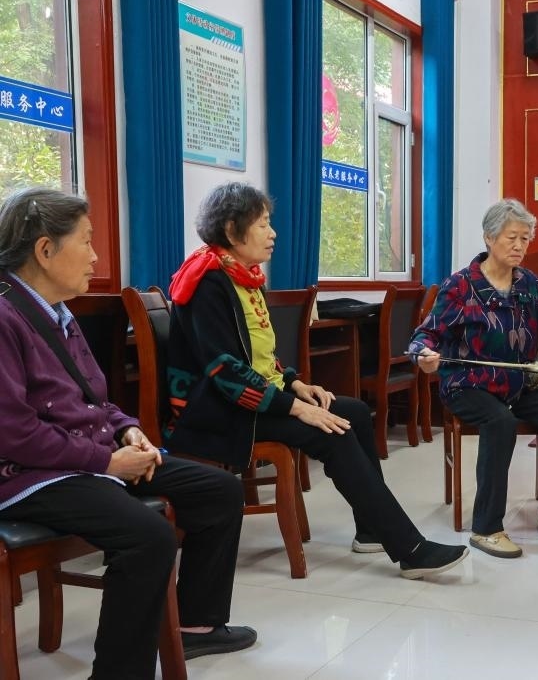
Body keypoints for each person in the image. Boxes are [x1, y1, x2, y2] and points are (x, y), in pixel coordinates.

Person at [0, 187, 256, 680]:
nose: (96, 256)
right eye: (86, 241)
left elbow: (95, 398)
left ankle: (197, 626)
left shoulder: (58, 312)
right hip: (28, 475)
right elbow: (13, 433)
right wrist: (105, 462)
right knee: (148, 537)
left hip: (84, 456)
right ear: (45, 250)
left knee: (220, 490)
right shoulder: (5, 315)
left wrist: (127, 431)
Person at [165, 182, 467, 580]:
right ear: (233, 230)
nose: (273, 233)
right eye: (263, 224)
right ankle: (410, 549)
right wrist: (296, 408)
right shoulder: (207, 283)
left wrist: (293, 384)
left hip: (249, 399)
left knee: (354, 413)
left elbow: (258, 355)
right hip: (217, 411)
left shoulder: (240, 276)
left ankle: (371, 529)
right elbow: (226, 371)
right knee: (331, 432)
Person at [409, 198, 538, 559]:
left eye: (525, 238)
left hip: (517, 384)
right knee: (500, 421)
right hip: (467, 384)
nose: (519, 246)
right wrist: (423, 356)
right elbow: (426, 335)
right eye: (511, 238)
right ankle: (486, 528)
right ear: (489, 238)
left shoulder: (529, 283)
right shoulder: (460, 286)